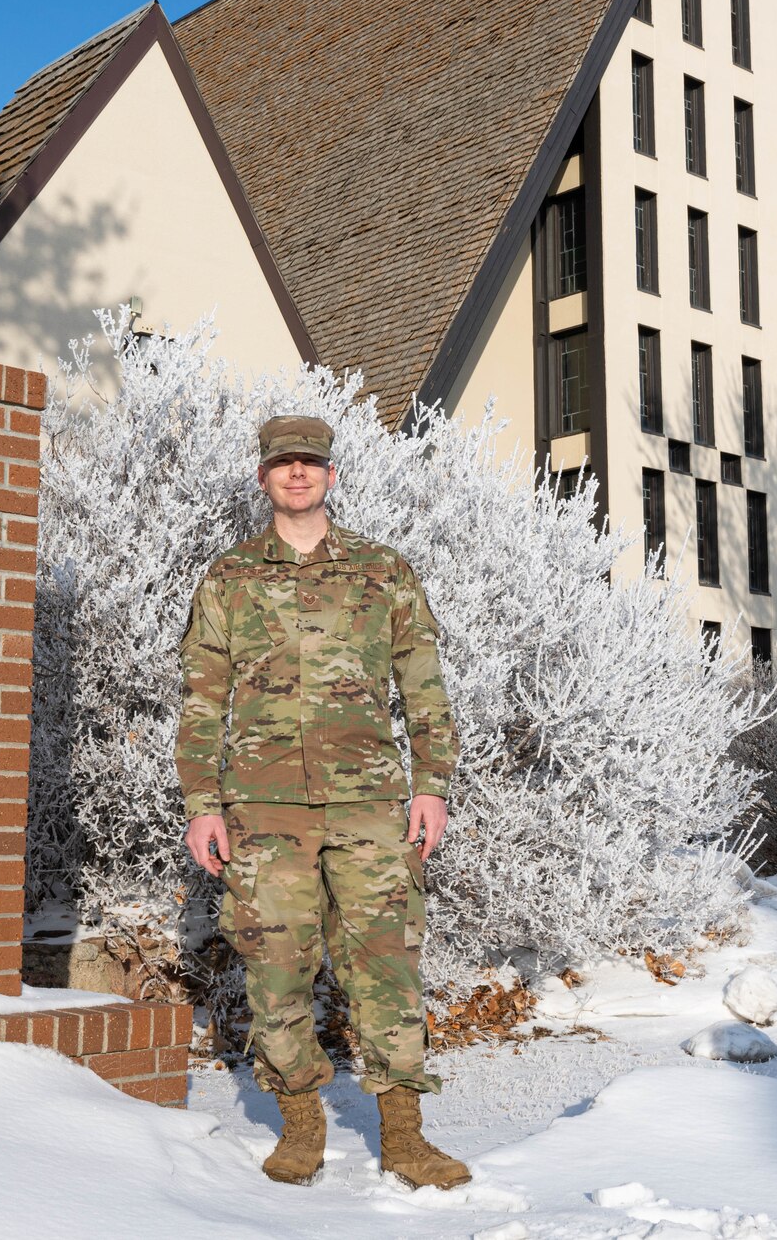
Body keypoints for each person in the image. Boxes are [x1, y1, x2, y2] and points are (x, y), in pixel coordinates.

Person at [174, 414, 468, 1190]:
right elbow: (202, 701)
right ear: (264, 477)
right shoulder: (228, 578)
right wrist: (203, 803)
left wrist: (431, 784)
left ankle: (403, 1137)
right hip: (262, 811)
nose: (296, 475)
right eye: (282, 464)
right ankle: (299, 1122)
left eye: (309, 463)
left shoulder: (383, 571)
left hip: (370, 803)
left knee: (387, 967)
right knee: (274, 969)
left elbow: (425, 689)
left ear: (331, 475)